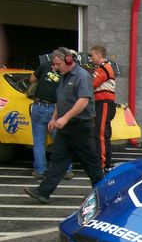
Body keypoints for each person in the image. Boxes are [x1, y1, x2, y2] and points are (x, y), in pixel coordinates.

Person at [24, 47, 103, 204]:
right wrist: (55, 117)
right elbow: (62, 101)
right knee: (58, 159)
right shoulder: (63, 76)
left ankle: (103, 192)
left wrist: (65, 118)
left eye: (58, 64)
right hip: (66, 126)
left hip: (81, 126)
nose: (55, 67)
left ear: (68, 60)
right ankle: (43, 192)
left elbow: (83, 101)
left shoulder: (82, 76)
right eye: (54, 64)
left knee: (90, 162)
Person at [29, 58, 73, 180]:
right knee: (60, 141)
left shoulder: (44, 65)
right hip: (55, 108)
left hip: (39, 106)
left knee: (38, 141)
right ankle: (67, 170)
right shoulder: (67, 70)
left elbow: (32, 79)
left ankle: (40, 171)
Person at [89, 45, 117, 172]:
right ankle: (106, 162)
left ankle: (103, 163)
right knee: (103, 133)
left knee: (101, 134)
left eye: (92, 55)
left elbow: (92, 84)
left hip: (104, 103)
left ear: (99, 55)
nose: (91, 58)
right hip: (103, 103)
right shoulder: (105, 67)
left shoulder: (103, 68)